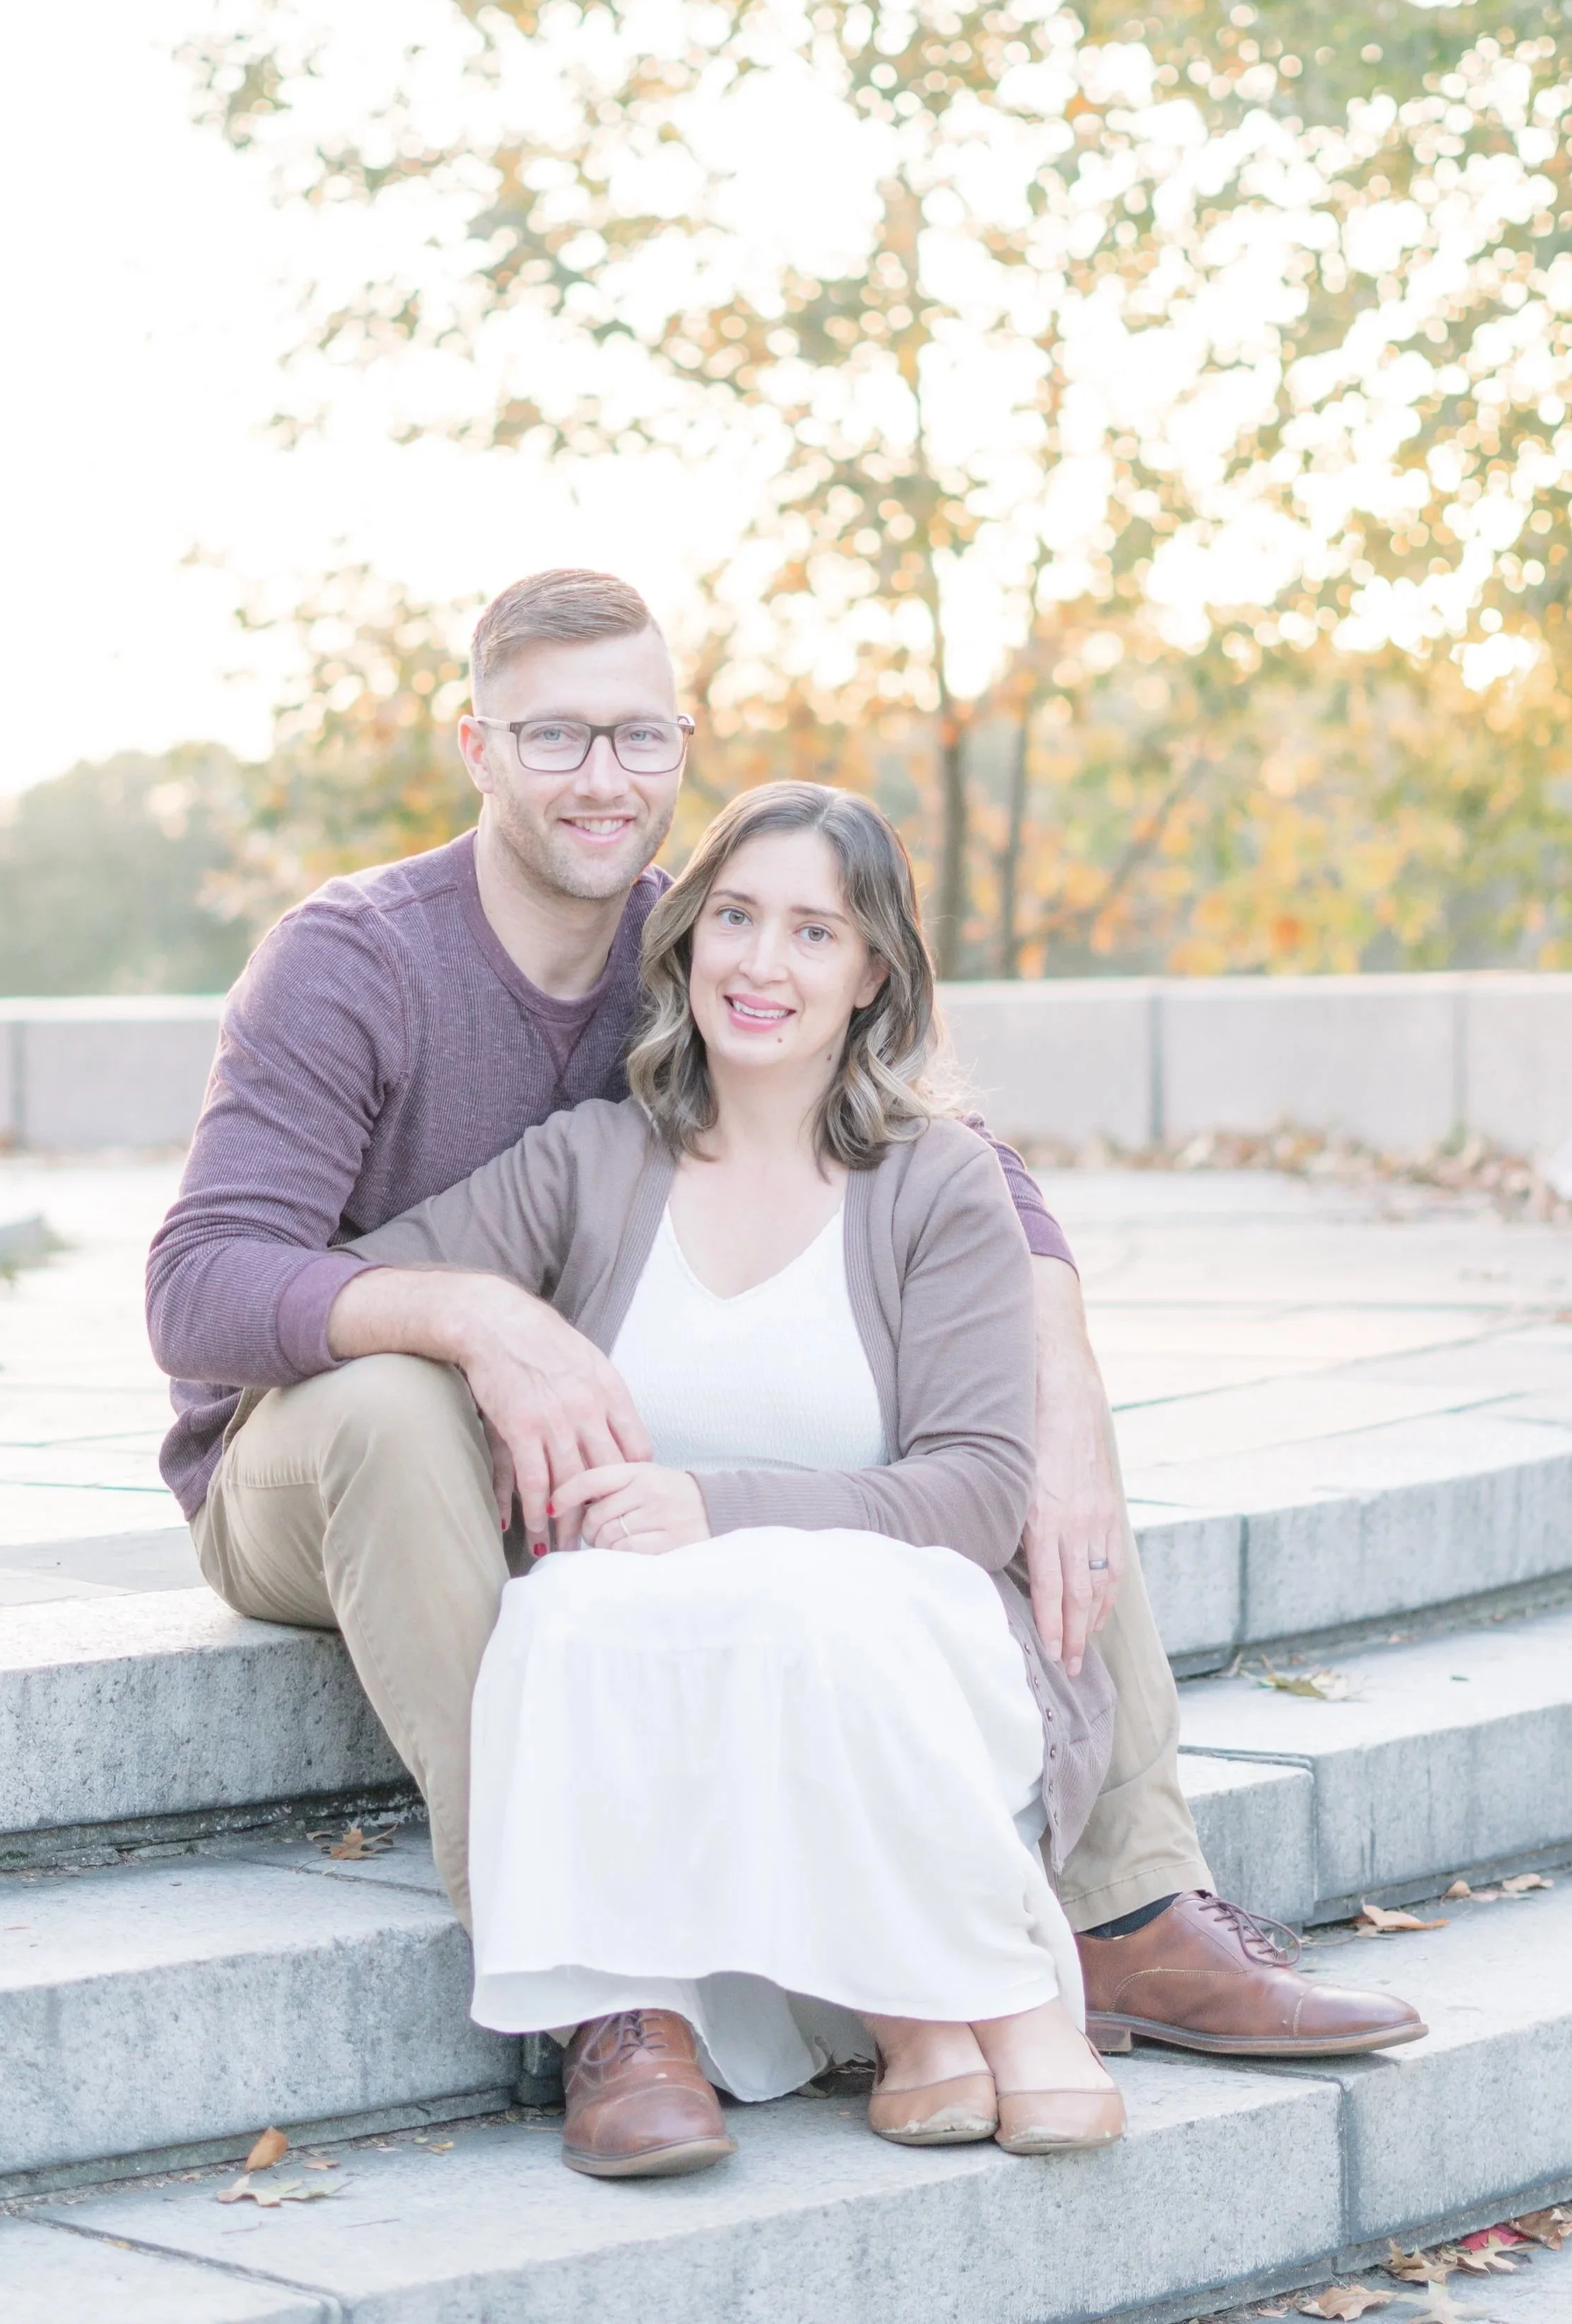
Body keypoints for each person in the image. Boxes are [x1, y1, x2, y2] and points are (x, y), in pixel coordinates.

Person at [145, 569, 1422, 2149]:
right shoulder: (351, 962)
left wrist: (1067, 1368)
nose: (599, 778)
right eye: (552, 737)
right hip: (316, 1468)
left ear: (684, 744)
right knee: (402, 1403)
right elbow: (197, 1283)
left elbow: (956, 1164)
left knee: (1004, 1374)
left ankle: (1126, 1904)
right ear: (472, 742)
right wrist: (473, 1318)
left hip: (587, 1478)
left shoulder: (703, 935)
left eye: (637, 735)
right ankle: (606, 1989)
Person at [348, 779, 1125, 2170]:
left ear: (871, 970)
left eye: (813, 932)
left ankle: (987, 2005)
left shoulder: (937, 1181)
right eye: (736, 918)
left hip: (907, 1660)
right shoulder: (589, 1165)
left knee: (794, 1593)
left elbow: (974, 1493)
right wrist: (488, 1326)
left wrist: (713, 1506)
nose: (762, 964)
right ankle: (935, 2024)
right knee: (567, 1614)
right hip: (676, 1676)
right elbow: (358, 1280)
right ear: (687, 936)